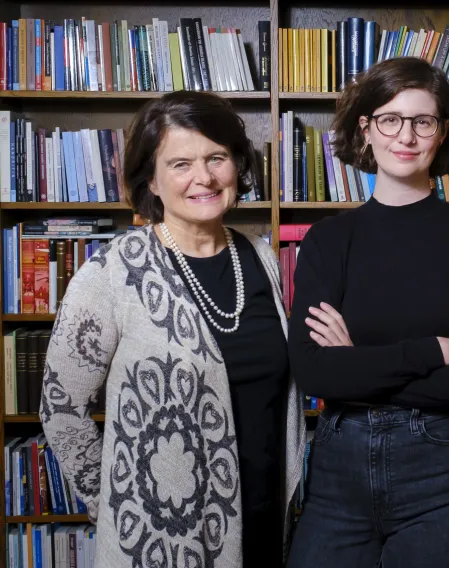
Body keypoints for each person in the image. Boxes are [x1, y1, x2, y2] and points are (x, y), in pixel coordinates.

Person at [40, 91, 305, 568]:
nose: (203, 177)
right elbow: (61, 408)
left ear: (236, 166)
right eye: (180, 164)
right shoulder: (112, 273)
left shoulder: (261, 258)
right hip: (165, 538)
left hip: (264, 521)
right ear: (152, 181)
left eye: (216, 158)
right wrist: (117, 503)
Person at [285, 56, 449, 568]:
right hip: (338, 470)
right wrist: (433, 350)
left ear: (443, 133)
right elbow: (313, 370)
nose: (406, 136)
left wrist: (358, 367)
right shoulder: (328, 240)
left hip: (444, 470)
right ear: (365, 130)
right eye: (389, 119)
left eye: (423, 121)